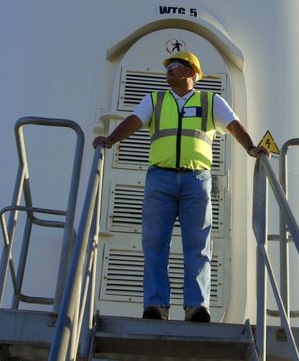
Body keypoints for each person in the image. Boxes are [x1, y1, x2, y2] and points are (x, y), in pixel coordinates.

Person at [93, 51, 270, 322]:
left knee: (198, 246)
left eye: (174, 66)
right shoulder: (156, 99)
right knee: (154, 243)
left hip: (196, 180)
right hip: (159, 179)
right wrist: (110, 139)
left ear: (191, 72)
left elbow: (234, 125)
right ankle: (156, 305)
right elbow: (134, 120)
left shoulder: (211, 101)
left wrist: (251, 148)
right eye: (168, 67)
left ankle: (196, 307)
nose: (168, 70)